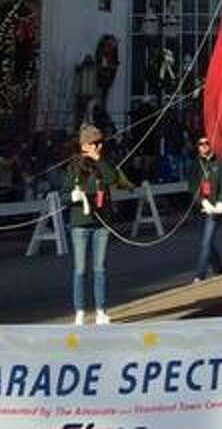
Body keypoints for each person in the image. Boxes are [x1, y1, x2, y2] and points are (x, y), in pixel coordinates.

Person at [66, 123, 130, 325]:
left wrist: (99, 160)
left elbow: (112, 178)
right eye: (90, 144)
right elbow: (63, 194)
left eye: (97, 143)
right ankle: (80, 311)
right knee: (80, 269)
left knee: (100, 268)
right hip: (80, 222)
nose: (94, 147)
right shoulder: (74, 165)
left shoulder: (104, 163)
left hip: (101, 222)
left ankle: (101, 309)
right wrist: (72, 195)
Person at [188, 134, 222, 283]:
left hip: (214, 209)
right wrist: (201, 201)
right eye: (200, 144)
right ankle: (219, 269)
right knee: (207, 242)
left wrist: (221, 202)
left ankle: (200, 274)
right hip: (202, 207)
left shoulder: (220, 163)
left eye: (206, 143)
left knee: (206, 242)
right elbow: (192, 186)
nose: (203, 146)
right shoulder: (195, 165)